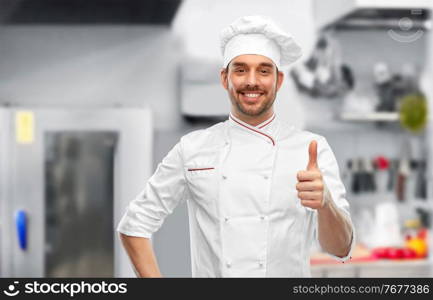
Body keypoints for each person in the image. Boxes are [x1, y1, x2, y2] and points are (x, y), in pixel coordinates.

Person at [117, 15, 355, 277]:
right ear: (224, 78)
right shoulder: (193, 148)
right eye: (240, 69)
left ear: (279, 80)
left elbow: (341, 249)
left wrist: (325, 204)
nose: (251, 81)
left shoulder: (311, 148)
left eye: (264, 70)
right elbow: (134, 224)